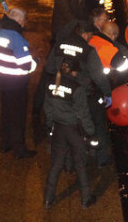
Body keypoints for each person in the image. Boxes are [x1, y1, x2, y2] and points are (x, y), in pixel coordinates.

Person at [43, 22, 113, 167]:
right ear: (85, 34)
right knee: (98, 123)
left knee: (65, 125)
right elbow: (99, 77)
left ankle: (68, 162)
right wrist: (107, 93)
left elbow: (49, 68)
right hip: (85, 95)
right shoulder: (88, 51)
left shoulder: (59, 45)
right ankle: (100, 158)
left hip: (61, 93)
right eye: (91, 35)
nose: (91, 38)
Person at [43, 55, 98, 210]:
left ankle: (48, 199)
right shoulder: (77, 89)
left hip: (58, 129)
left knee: (56, 164)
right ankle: (86, 199)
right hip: (74, 131)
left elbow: (47, 109)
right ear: (74, 72)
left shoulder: (50, 84)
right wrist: (91, 133)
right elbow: (83, 114)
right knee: (80, 164)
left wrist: (49, 126)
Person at [0, 7, 37, 159]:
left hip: (2, 81)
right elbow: (26, 65)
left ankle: (5, 144)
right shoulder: (17, 38)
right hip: (17, 84)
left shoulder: (0, 33)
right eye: (23, 21)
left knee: (6, 115)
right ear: (18, 21)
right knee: (18, 117)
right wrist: (35, 62)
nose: (23, 24)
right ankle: (20, 150)